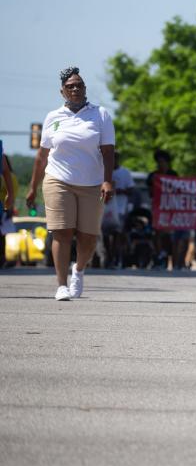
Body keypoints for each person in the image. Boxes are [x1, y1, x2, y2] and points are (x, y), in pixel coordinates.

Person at [25, 67, 115, 300]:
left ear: (85, 89)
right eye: (70, 86)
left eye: (79, 85)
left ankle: (79, 269)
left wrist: (107, 181)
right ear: (62, 92)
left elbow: (108, 151)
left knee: (89, 238)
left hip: (92, 183)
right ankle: (61, 285)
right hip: (58, 180)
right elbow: (42, 156)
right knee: (62, 233)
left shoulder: (100, 114)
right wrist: (33, 187)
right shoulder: (53, 117)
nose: (75, 89)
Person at [147, 149, 188, 270]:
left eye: (163, 162)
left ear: (167, 163)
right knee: (157, 233)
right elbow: (150, 193)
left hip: (171, 210)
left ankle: (175, 263)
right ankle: (160, 255)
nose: (160, 164)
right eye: (158, 162)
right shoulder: (152, 176)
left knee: (174, 236)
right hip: (158, 210)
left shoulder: (173, 175)